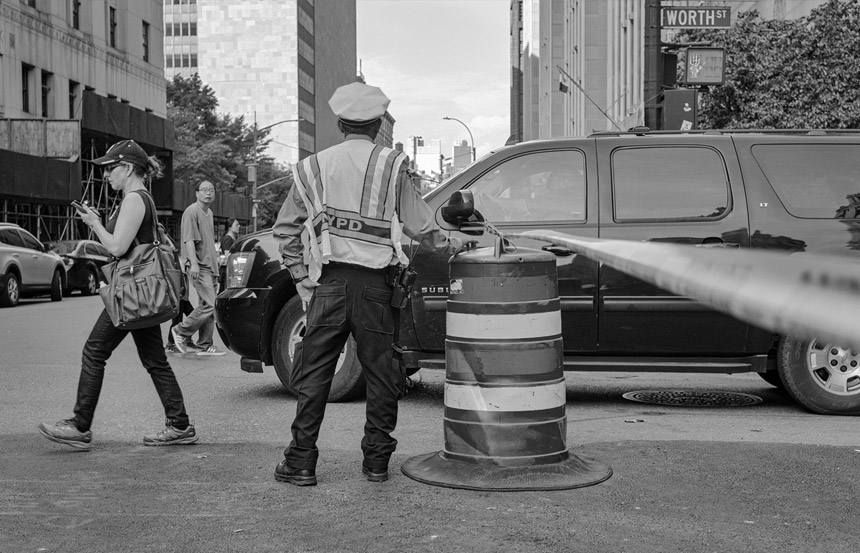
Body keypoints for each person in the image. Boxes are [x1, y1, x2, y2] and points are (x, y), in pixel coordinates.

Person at [271, 82, 461, 486]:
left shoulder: (313, 167)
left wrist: (303, 281)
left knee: (315, 373)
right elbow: (421, 225)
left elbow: (285, 230)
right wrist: (454, 244)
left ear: (340, 123)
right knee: (381, 374)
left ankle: (301, 462)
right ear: (378, 125)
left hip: (329, 286)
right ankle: (376, 462)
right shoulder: (392, 166)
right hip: (377, 287)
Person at [38, 140, 198, 450]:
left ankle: (80, 426)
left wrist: (96, 223)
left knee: (94, 352)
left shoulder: (135, 200)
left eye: (111, 168)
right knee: (154, 359)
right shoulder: (139, 199)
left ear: (127, 169)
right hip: (140, 293)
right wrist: (96, 221)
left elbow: (117, 248)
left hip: (131, 294)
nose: (106, 175)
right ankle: (179, 424)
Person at [171, 180, 225, 356]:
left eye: (211, 190)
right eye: (204, 190)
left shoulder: (208, 213)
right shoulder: (191, 211)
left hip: (211, 267)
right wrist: (193, 263)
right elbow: (188, 240)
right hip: (200, 266)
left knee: (206, 305)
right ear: (196, 193)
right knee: (210, 304)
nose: (208, 193)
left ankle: (204, 345)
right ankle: (180, 331)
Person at [218, 217, 240, 288]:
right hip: (227, 273)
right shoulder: (228, 239)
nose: (239, 226)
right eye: (236, 225)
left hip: (230, 272)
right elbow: (228, 257)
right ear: (230, 227)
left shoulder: (232, 238)